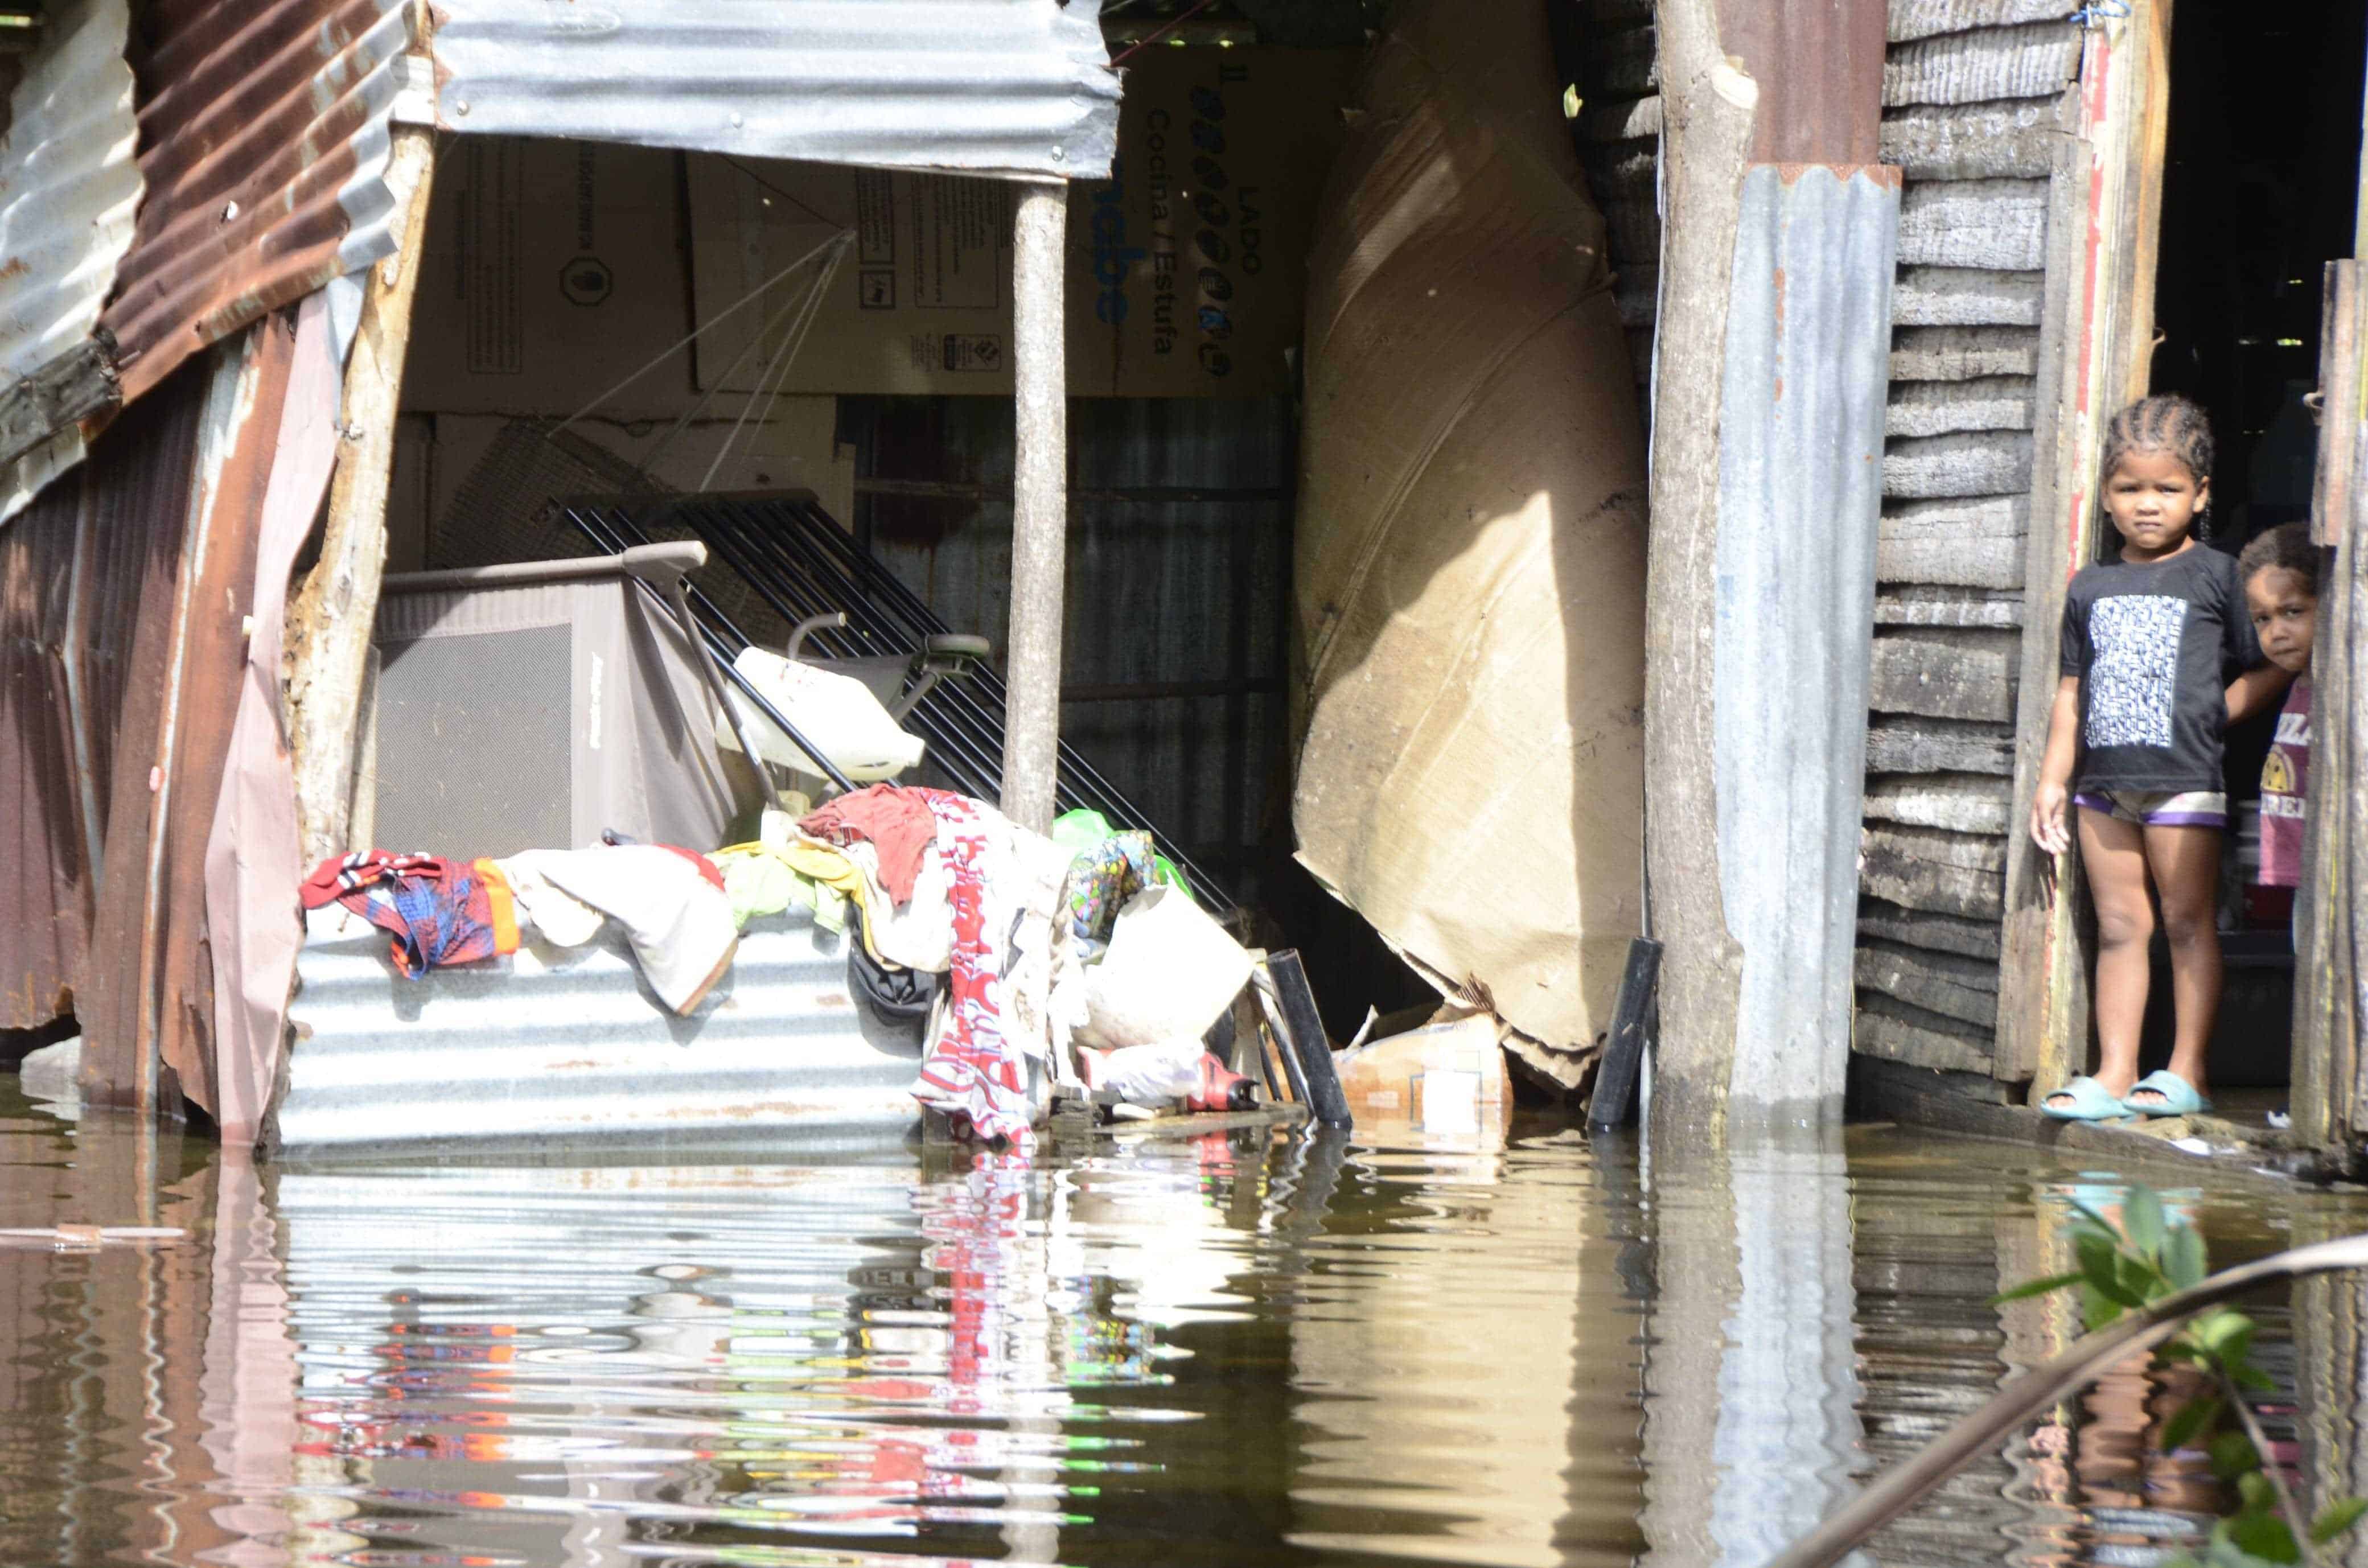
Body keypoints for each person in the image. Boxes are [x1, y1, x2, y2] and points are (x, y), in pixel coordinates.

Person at [2030, 395, 2293, 1121]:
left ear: (2200, 494)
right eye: (2129, 489)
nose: (2148, 505)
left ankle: (2186, 1069)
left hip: (2183, 781)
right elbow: (2071, 692)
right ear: (2106, 495)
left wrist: (2218, 714)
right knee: (2118, 928)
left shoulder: (2216, 575)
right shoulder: (2089, 586)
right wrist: (2054, 779)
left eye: (2167, 489)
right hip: (2103, 786)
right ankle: (2114, 1070)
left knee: (2185, 922)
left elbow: (2271, 661)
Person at [2237, 522, 2317, 896]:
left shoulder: (2336, 694)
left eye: (2293, 612)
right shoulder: (2298, 685)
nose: (2276, 632)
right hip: (2306, 877)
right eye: (2263, 618)